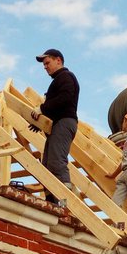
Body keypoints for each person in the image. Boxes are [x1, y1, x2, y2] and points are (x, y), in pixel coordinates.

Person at [31, 48, 79, 206]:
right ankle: (51, 203)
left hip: (64, 122)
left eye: (47, 63)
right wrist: (40, 123)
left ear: (58, 60)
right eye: (44, 65)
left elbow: (65, 99)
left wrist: (43, 109)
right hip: (58, 123)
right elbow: (57, 105)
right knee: (47, 166)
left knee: (57, 162)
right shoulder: (58, 80)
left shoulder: (66, 77)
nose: (45, 67)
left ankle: (65, 203)